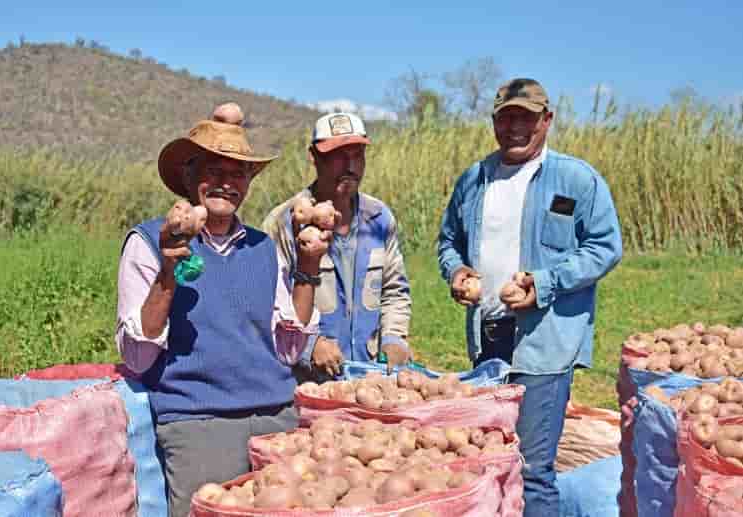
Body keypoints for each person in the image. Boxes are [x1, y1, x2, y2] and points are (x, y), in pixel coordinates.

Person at [115, 104, 329, 517]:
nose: (225, 184)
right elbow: (138, 357)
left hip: (276, 418)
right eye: (213, 171)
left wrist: (309, 267)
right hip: (198, 423)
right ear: (189, 177)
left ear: (248, 182)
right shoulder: (148, 242)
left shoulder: (262, 247)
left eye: (237, 173)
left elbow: (287, 351)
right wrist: (169, 270)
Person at [437, 78, 623, 516]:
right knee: (491, 459)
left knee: (533, 469)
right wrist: (457, 271)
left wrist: (543, 283)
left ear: (547, 120)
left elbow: (604, 247)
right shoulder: (474, 180)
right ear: (494, 122)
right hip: (487, 342)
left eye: (526, 117)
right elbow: (448, 242)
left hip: (544, 345)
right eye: (506, 117)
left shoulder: (576, 179)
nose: (516, 126)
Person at [263, 112, 412, 379]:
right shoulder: (284, 223)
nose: (350, 166)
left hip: (370, 376)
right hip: (307, 380)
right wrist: (310, 344)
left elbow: (394, 290)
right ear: (314, 157)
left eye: (357, 156)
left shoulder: (379, 217)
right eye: (338, 157)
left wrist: (394, 337)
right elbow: (269, 307)